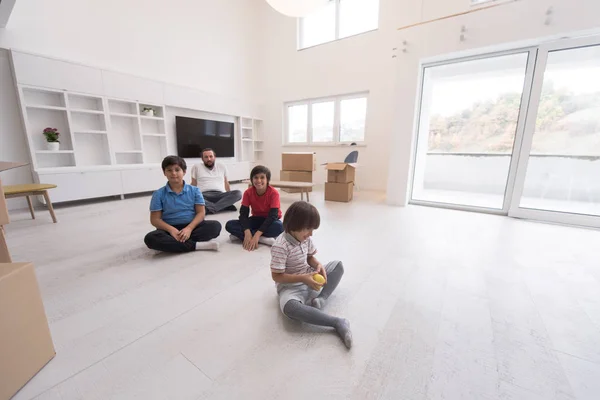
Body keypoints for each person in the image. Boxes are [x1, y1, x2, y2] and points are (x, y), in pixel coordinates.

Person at [270, 201, 352, 349]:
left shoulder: (305, 239)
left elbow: (309, 258)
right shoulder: (280, 246)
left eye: (312, 229)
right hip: (290, 287)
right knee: (290, 308)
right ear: (294, 224)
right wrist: (302, 278)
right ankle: (337, 322)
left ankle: (321, 299)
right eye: (308, 229)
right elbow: (277, 276)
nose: (311, 234)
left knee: (338, 266)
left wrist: (318, 265)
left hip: (310, 277)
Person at [144, 155, 221, 253]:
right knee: (150, 238)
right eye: (169, 170)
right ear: (164, 173)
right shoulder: (158, 194)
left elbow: (201, 213)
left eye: (177, 170)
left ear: (184, 172)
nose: (173, 173)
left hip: (192, 226)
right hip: (168, 229)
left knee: (215, 226)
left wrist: (189, 229)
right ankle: (196, 245)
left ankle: (170, 245)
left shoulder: (195, 190)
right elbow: (155, 219)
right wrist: (172, 230)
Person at [225, 165, 283, 250]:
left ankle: (245, 236)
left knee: (280, 227)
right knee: (229, 225)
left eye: (262, 177)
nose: (259, 180)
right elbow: (243, 214)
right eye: (256, 177)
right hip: (256, 218)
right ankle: (263, 239)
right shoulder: (248, 193)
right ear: (252, 179)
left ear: (267, 180)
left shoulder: (274, 193)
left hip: (270, 220)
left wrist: (257, 234)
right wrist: (247, 231)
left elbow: (272, 216)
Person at [191, 148, 242, 214]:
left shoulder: (222, 166)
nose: (209, 159)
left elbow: (226, 182)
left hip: (220, 195)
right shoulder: (196, 167)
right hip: (203, 196)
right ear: (202, 159)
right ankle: (223, 206)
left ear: (214, 157)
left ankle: (210, 209)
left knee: (238, 193)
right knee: (193, 196)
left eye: (211, 156)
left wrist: (229, 198)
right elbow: (193, 184)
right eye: (206, 157)